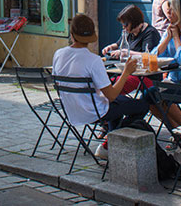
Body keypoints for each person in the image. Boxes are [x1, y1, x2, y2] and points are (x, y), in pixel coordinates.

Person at [52, 14, 149, 158]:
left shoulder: (58, 54)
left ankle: (110, 140)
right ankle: (110, 142)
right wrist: (127, 72)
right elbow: (111, 95)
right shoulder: (93, 60)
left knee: (120, 104)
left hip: (70, 109)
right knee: (142, 105)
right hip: (95, 112)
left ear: (72, 35)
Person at [101, 5, 161, 95]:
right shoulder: (129, 32)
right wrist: (110, 47)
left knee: (115, 86)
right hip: (130, 72)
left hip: (145, 76)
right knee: (107, 81)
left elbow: (149, 55)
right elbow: (118, 44)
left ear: (134, 21)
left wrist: (126, 53)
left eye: (125, 24)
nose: (123, 27)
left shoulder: (150, 33)